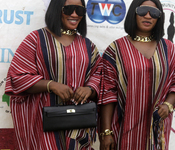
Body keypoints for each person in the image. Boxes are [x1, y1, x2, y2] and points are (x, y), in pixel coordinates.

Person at [98, 0, 175, 150]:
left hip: (157, 132)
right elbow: (107, 93)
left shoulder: (168, 48)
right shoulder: (116, 49)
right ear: (134, 13)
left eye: (154, 13)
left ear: (159, 18)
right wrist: (106, 132)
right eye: (143, 11)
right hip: (124, 129)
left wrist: (168, 104)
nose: (148, 16)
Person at [5, 0, 102, 149]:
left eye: (80, 10)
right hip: (42, 123)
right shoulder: (36, 39)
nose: (74, 14)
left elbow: (100, 75)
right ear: (57, 9)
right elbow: (17, 77)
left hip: (77, 124)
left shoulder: (88, 45)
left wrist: (90, 89)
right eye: (68, 9)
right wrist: (51, 85)